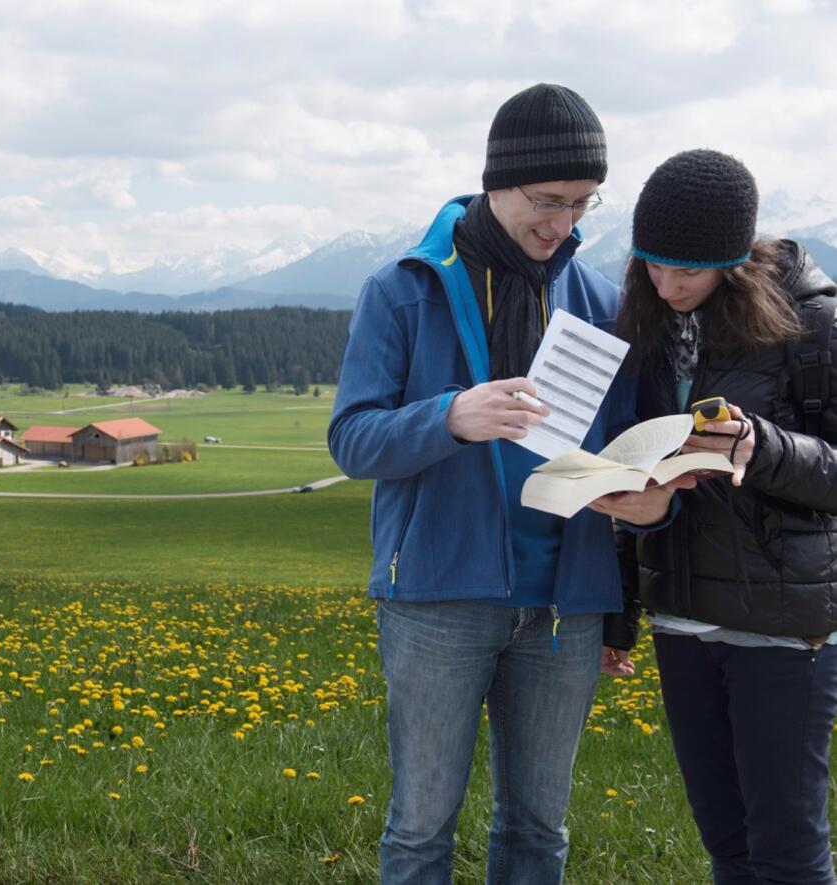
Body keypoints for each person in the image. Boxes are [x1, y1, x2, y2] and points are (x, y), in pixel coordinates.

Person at [328, 83, 674, 884]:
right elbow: (352, 439)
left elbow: (625, 451)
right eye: (547, 200)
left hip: (565, 607)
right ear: (496, 181)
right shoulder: (404, 288)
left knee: (539, 831)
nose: (564, 223)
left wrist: (646, 499)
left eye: (583, 202)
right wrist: (448, 416)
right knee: (420, 828)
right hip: (438, 602)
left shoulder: (601, 301)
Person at [611, 148, 837, 885]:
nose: (668, 285)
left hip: (780, 630)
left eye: (689, 271)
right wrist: (624, 609)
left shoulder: (814, 324)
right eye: (653, 265)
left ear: (735, 261)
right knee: (728, 846)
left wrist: (758, 444)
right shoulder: (652, 323)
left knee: (787, 855)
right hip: (681, 622)